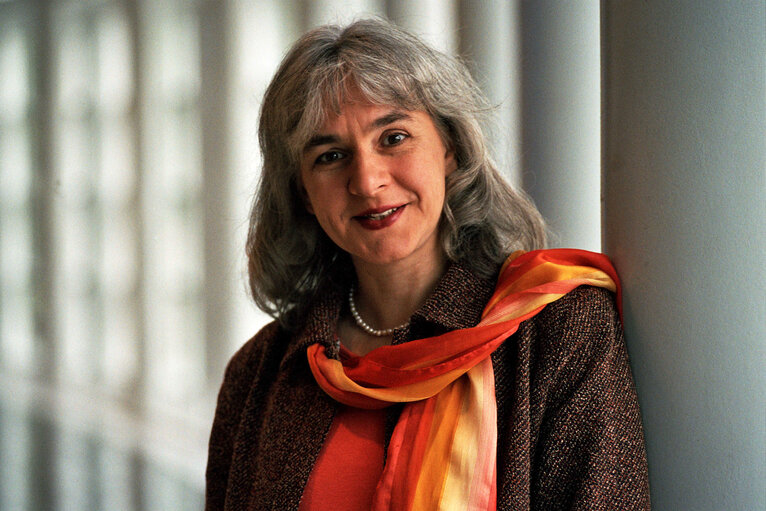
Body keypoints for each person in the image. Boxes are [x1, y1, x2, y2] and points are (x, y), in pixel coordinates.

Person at [206, 18, 650, 511]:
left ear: (451, 150)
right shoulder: (259, 374)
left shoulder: (558, 330)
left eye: (393, 137)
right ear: (303, 195)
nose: (367, 181)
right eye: (330, 156)